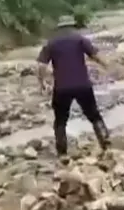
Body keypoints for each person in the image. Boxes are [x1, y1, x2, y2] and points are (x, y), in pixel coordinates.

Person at [37, 15, 110, 157]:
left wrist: (42, 82)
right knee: (94, 115)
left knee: (60, 120)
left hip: (62, 88)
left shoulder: (51, 43)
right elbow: (97, 56)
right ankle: (106, 143)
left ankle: (62, 152)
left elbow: (41, 66)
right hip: (83, 85)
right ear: (72, 26)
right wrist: (107, 67)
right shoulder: (79, 39)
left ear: (59, 28)